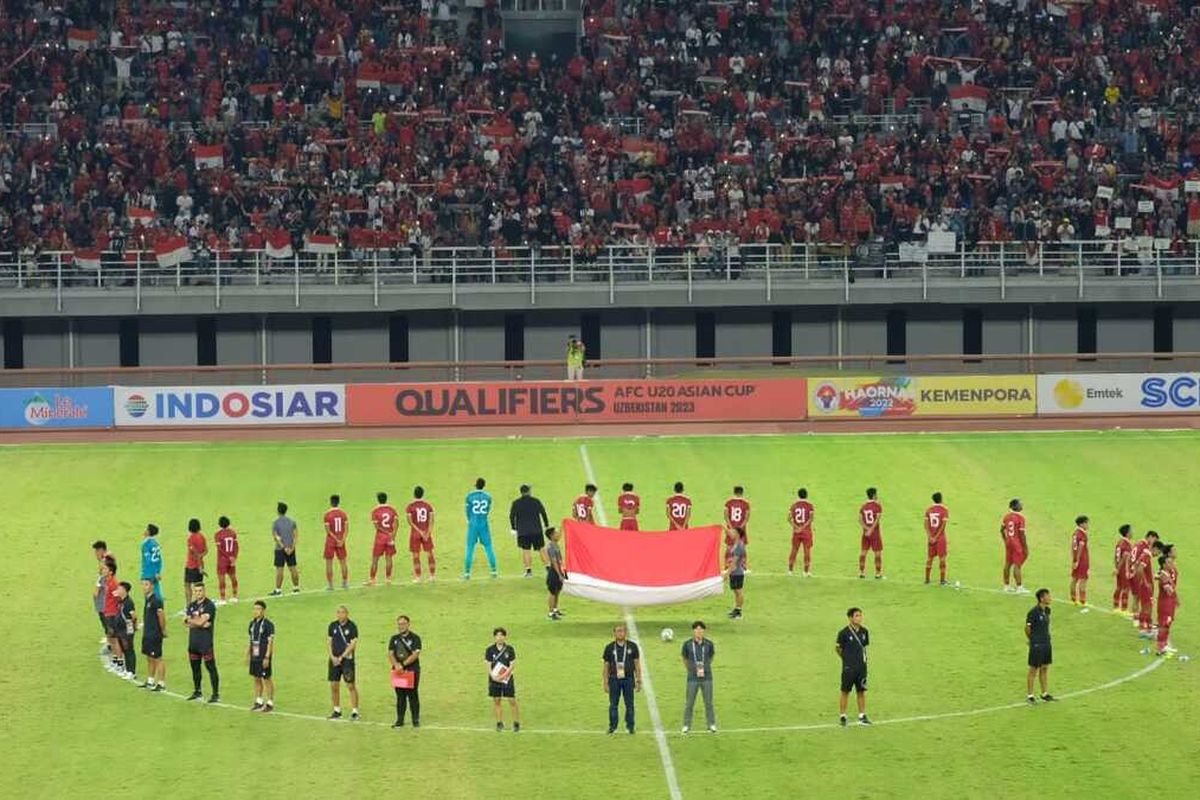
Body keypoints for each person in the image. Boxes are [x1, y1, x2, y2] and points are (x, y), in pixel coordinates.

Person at [602, 623, 642, 734]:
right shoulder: (609, 648)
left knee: (630, 704)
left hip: (628, 679)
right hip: (614, 679)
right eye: (618, 631)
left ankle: (630, 726)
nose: (621, 633)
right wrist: (605, 682)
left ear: (626, 632)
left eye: (623, 631)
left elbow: (637, 664)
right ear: (614, 633)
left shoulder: (632, 646)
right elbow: (606, 666)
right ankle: (612, 726)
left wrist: (639, 679)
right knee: (613, 705)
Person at [183, 582, 220, 703]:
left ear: (204, 591)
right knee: (195, 668)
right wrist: (199, 623)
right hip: (193, 643)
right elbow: (185, 622)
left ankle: (215, 694)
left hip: (205, 643)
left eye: (200, 591)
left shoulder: (209, 605)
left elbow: (195, 622)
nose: (198, 593)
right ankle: (197, 691)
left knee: (210, 667)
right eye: (196, 591)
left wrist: (193, 621)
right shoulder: (192, 605)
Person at [836, 607, 871, 726]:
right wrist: (846, 659)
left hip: (861, 668)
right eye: (857, 616)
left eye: (860, 615)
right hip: (849, 668)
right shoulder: (843, 633)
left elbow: (864, 647)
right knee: (845, 691)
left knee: (861, 691)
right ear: (850, 618)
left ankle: (862, 715)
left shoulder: (864, 631)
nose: (859, 618)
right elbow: (838, 648)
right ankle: (842, 716)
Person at [680, 620, 716, 733]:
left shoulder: (709, 644)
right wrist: (691, 669)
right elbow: (684, 658)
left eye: (701, 630)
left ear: (704, 631)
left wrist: (705, 666)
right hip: (692, 678)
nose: (699, 632)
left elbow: (711, 656)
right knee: (689, 703)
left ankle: (711, 724)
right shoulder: (687, 644)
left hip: (707, 677)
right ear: (693, 631)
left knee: (708, 702)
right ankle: (686, 725)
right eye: (697, 630)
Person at [388, 615, 422, 728]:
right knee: (400, 696)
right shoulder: (394, 638)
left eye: (403, 624)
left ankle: (415, 719)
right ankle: (400, 719)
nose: (401, 626)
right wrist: (396, 665)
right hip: (398, 672)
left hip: (411, 671)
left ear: (408, 624)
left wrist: (402, 665)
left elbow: (415, 654)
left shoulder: (415, 638)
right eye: (399, 624)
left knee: (413, 695)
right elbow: (390, 654)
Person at [327, 605, 359, 720]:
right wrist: (332, 656)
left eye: (342, 612)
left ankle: (355, 711)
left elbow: (353, 644)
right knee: (334, 685)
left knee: (350, 685)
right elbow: (329, 641)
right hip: (334, 660)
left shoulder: (352, 626)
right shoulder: (332, 625)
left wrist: (342, 657)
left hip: (347, 660)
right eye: (338, 612)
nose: (340, 615)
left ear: (347, 614)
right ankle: (337, 710)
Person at [510, 484, 550, 577]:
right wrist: (546, 525)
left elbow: (512, 516)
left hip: (523, 531)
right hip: (536, 530)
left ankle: (528, 571)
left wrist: (513, 528)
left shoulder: (516, 503)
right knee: (541, 549)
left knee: (526, 550)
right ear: (528, 491)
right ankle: (548, 569)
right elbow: (543, 513)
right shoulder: (536, 501)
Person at [485, 627, 520, 732]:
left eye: (501, 635)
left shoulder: (510, 649)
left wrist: (504, 675)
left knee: (512, 700)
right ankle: (499, 723)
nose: (499, 638)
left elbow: (512, 665)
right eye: (497, 635)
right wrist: (492, 676)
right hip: (494, 679)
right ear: (494, 637)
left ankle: (516, 722)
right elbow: (488, 664)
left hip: (507, 679)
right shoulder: (490, 650)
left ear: (505, 637)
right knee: (497, 700)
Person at [100, 556, 130, 677]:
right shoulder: (107, 582)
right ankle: (116, 660)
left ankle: (120, 663)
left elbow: (119, 598)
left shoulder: (113, 584)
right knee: (111, 639)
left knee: (115, 639)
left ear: (111, 572)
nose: (103, 570)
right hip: (108, 613)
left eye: (105, 569)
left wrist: (118, 612)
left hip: (112, 614)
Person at [463, 478, 498, 579]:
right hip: (484, 524)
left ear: (476, 485)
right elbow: (487, 510)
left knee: (470, 548)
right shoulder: (488, 497)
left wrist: (470, 520)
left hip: (472, 525)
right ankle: (494, 571)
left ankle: (467, 573)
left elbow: (467, 512)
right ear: (484, 485)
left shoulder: (469, 496)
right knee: (489, 547)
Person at [1025, 588, 1055, 703]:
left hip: (1046, 642)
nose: (1050, 598)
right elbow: (1027, 628)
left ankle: (1044, 693)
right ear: (1042, 598)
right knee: (1033, 669)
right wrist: (1032, 640)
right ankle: (1030, 695)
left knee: (1044, 667)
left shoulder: (1047, 610)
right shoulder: (1033, 612)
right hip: (1037, 644)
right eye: (1048, 596)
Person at [247, 599, 276, 712]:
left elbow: (270, 642)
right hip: (255, 655)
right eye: (254, 609)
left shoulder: (268, 625)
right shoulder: (252, 624)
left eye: (258, 609)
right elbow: (250, 640)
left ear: (263, 611)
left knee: (266, 678)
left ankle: (270, 702)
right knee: (256, 677)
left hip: (264, 656)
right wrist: (247, 654)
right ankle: (259, 701)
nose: (256, 611)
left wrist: (267, 657)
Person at [140, 578, 167, 692]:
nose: (144, 587)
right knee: (149, 657)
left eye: (146, 584)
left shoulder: (156, 600)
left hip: (154, 634)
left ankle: (161, 683)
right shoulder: (148, 599)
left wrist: (163, 630)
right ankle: (150, 680)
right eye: (143, 584)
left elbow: (161, 616)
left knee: (158, 658)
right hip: (147, 633)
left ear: (152, 586)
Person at [368, 491, 399, 585]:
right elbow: (396, 524)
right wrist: (392, 535)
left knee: (375, 559)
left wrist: (385, 532)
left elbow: (377, 527)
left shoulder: (375, 511)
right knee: (389, 558)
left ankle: (372, 579)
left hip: (380, 538)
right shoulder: (392, 510)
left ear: (378, 500)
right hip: (390, 537)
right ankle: (388, 579)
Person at [406, 487, 436, 582]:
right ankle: (432, 576)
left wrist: (419, 531)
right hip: (426, 532)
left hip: (415, 534)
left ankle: (418, 577)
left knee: (416, 555)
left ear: (414, 494)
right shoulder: (428, 506)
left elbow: (410, 522)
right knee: (430, 553)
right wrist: (427, 532)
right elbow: (431, 520)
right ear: (423, 494)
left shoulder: (410, 506)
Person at [1134, 531, 1160, 636]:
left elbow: (1138, 567)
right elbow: (1139, 569)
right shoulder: (1147, 555)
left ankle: (1146, 627)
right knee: (1147, 606)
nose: (1158, 555)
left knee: (1147, 606)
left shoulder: (1145, 554)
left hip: (1145, 585)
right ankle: (1145, 629)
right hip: (1145, 586)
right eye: (1158, 552)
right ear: (1155, 548)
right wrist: (1145, 582)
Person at [1001, 499, 1030, 593]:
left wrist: (1005, 540)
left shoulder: (1006, 517)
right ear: (1014, 506)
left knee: (1007, 563)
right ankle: (1019, 587)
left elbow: (1002, 530)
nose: (1021, 506)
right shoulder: (1020, 518)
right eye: (1020, 504)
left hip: (1009, 543)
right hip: (1017, 544)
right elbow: (1022, 534)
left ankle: (1006, 586)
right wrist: (1025, 547)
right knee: (1017, 565)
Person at [271, 502, 300, 595]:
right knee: (293, 567)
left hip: (280, 549)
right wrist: (292, 548)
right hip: (291, 548)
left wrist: (284, 548)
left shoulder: (275, 523)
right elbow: (295, 536)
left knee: (280, 569)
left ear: (278, 511)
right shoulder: (292, 522)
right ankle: (296, 588)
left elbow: (276, 537)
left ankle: (278, 590)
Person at [1156, 544, 1179, 657]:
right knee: (1163, 624)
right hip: (1165, 603)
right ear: (1164, 565)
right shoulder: (1163, 575)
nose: (1171, 565)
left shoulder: (1166, 574)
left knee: (1168, 623)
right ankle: (1160, 648)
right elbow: (1168, 590)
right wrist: (1170, 588)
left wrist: (1176, 598)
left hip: (1169, 602)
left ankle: (1164, 645)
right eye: (1169, 563)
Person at [323, 494, 350, 590]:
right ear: (338, 502)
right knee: (343, 562)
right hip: (341, 541)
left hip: (330, 541)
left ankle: (330, 585)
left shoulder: (327, 515)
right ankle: (345, 583)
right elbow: (346, 529)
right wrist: (342, 540)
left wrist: (336, 539)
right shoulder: (343, 514)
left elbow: (328, 531)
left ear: (331, 502)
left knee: (329, 563)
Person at [858, 488, 884, 579]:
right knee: (877, 553)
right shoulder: (877, 506)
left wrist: (867, 529)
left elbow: (860, 520)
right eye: (876, 494)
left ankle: (861, 572)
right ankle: (878, 573)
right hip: (875, 533)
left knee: (863, 552)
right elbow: (877, 520)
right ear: (873, 495)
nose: (877, 495)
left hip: (865, 533)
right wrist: (871, 530)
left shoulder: (863, 507)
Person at [924, 492, 949, 585]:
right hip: (940, 538)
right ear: (941, 499)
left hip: (931, 538)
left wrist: (930, 536)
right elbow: (943, 525)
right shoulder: (944, 510)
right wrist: (936, 537)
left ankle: (927, 579)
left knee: (929, 558)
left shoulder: (928, 510)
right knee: (942, 559)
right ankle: (942, 580)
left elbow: (925, 524)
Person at [114, 581, 138, 682]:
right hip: (121, 629)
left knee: (129, 650)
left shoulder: (128, 602)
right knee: (124, 649)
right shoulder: (121, 601)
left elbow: (134, 616)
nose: (117, 590)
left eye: (119, 589)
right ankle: (128, 670)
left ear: (124, 590)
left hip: (127, 629)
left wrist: (132, 626)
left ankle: (132, 671)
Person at [788, 489, 814, 576]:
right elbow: (811, 519)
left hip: (796, 532)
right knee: (807, 551)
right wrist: (803, 527)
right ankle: (806, 572)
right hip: (806, 532)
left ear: (798, 495)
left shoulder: (794, 505)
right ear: (806, 495)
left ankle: (790, 571)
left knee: (794, 550)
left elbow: (789, 518)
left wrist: (796, 527)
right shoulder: (809, 506)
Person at [214, 516, 239, 604]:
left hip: (222, 560)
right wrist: (234, 557)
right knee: (233, 577)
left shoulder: (218, 534)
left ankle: (223, 598)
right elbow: (236, 547)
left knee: (221, 578)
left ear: (219, 524)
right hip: (231, 559)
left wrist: (227, 557)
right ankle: (235, 596)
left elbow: (220, 549)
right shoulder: (233, 533)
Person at [92, 540, 112, 651]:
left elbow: (103, 580)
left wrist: (97, 587)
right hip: (102, 599)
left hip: (104, 599)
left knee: (107, 621)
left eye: (96, 551)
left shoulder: (106, 562)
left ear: (101, 550)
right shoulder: (104, 561)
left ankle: (111, 644)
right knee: (105, 620)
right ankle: (109, 640)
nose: (95, 554)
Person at [1069, 515, 1090, 612]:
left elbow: (1073, 547)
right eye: (1086, 523)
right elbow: (1080, 548)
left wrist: (1074, 560)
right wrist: (1077, 560)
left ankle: (1073, 599)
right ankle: (1082, 601)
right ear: (1082, 524)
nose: (1088, 525)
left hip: (1076, 558)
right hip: (1082, 560)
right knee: (1083, 579)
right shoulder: (1082, 535)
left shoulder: (1075, 533)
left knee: (1075, 578)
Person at [725, 528, 747, 619]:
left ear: (737, 534)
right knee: (736, 592)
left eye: (733, 532)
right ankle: (736, 609)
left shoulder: (739, 546)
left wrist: (727, 573)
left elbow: (734, 562)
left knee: (738, 591)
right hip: (735, 572)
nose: (731, 534)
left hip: (737, 572)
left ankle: (739, 611)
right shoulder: (736, 544)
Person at [545, 527, 566, 619]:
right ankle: (551, 612)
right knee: (553, 592)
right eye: (556, 533)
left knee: (557, 592)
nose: (558, 535)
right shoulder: (551, 547)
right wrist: (559, 574)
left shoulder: (555, 544)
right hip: (554, 572)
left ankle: (555, 609)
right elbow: (554, 562)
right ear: (551, 536)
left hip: (558, 570)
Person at [184, 518, 207, 606]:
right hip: (200, 565)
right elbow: (206, 551)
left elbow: (195, 552)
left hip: (191, 566)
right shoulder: (202, 537)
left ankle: (189, 605)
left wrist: (199, 564)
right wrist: (201, 558)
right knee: (199, 586)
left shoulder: (191, 538)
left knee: (187, 585)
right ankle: (200, 604)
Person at [1113, 524, 1134, 615]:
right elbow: (1125, 556)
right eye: (1131, 531)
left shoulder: (1119, 542)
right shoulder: (1126, 544)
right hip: (1124, 569)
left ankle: (1116, 607)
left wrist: (1116, 567)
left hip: (1119, 568)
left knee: (1119, 587)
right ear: (1127, 533)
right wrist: (1118, 568)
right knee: (1126, 588)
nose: (1132, 532)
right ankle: (1124, 609)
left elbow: (1116, 556)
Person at [140, 524, 163, 602]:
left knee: (148, 594)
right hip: (155, 571)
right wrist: (158, 572)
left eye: (146, 529)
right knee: (156, 591)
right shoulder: (156, 543)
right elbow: (159, 560)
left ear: (149, 532)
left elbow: (148, 560)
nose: (145, 530)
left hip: (148, 572)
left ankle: (152, 608)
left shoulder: (146, 544)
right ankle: (160, 606)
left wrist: (153, 573)